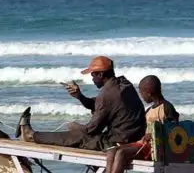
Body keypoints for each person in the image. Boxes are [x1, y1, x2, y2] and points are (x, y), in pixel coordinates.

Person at [83, 75, 179, 173]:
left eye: (142, 93)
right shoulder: (149, 110)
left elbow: (175, 131)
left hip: (156, 148)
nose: (141, 96)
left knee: (121, 153)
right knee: (112, 150)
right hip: (143, 144)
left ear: (149, 92)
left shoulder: (166, 107)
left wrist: (153, 134)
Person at [18, 56, 146, 152]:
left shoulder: (107, 94)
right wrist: (79, 96)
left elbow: (91, 130)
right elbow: (101, 105)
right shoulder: (124, 84)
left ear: (101, 74)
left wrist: (76, 126)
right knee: (82, 135)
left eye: (93, 75)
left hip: (119, 143)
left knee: (77, 136)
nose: (92, 79)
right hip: (133, 137)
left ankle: (31, 135)